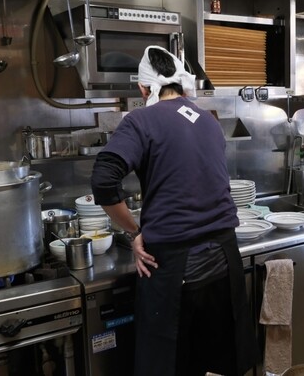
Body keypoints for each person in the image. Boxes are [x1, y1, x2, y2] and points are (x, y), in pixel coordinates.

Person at [90, 45, 258, 376]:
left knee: (169, 364)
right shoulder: (208, 120)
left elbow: (103, 180)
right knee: (216, 365)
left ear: (143, 89)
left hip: (175, 266)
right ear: (180, 83)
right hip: (225, 261)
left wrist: (135, 232)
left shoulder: (140, 120)